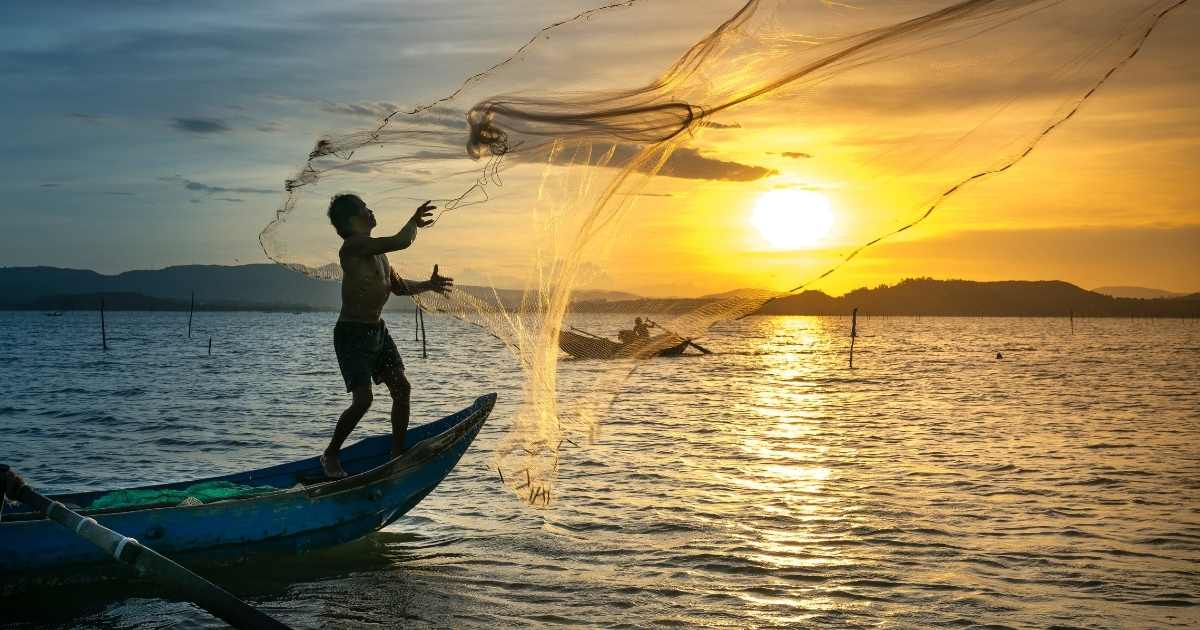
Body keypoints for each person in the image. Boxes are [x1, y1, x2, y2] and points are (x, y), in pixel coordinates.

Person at [320, 194, 453, 479]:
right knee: (363, 400)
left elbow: (400, 288)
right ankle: (330, 454)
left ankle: (397, 454)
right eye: (366, 208)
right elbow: (402, 240)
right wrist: (414, 222)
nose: (372, 210)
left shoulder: (379, 254)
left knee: (402, 389)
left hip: (377, 331)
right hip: (352, 334)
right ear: (354, 219)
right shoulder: (353, 247)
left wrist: (429, 285)